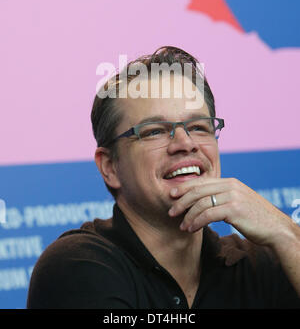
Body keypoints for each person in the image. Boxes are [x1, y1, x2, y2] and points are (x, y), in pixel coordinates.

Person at [27, 46, 300, 309]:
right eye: (154, 131)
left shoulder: (264, 261)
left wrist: (286, 234)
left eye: (198, 127)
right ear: (110, 166)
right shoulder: (78, 264)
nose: (186, 142)